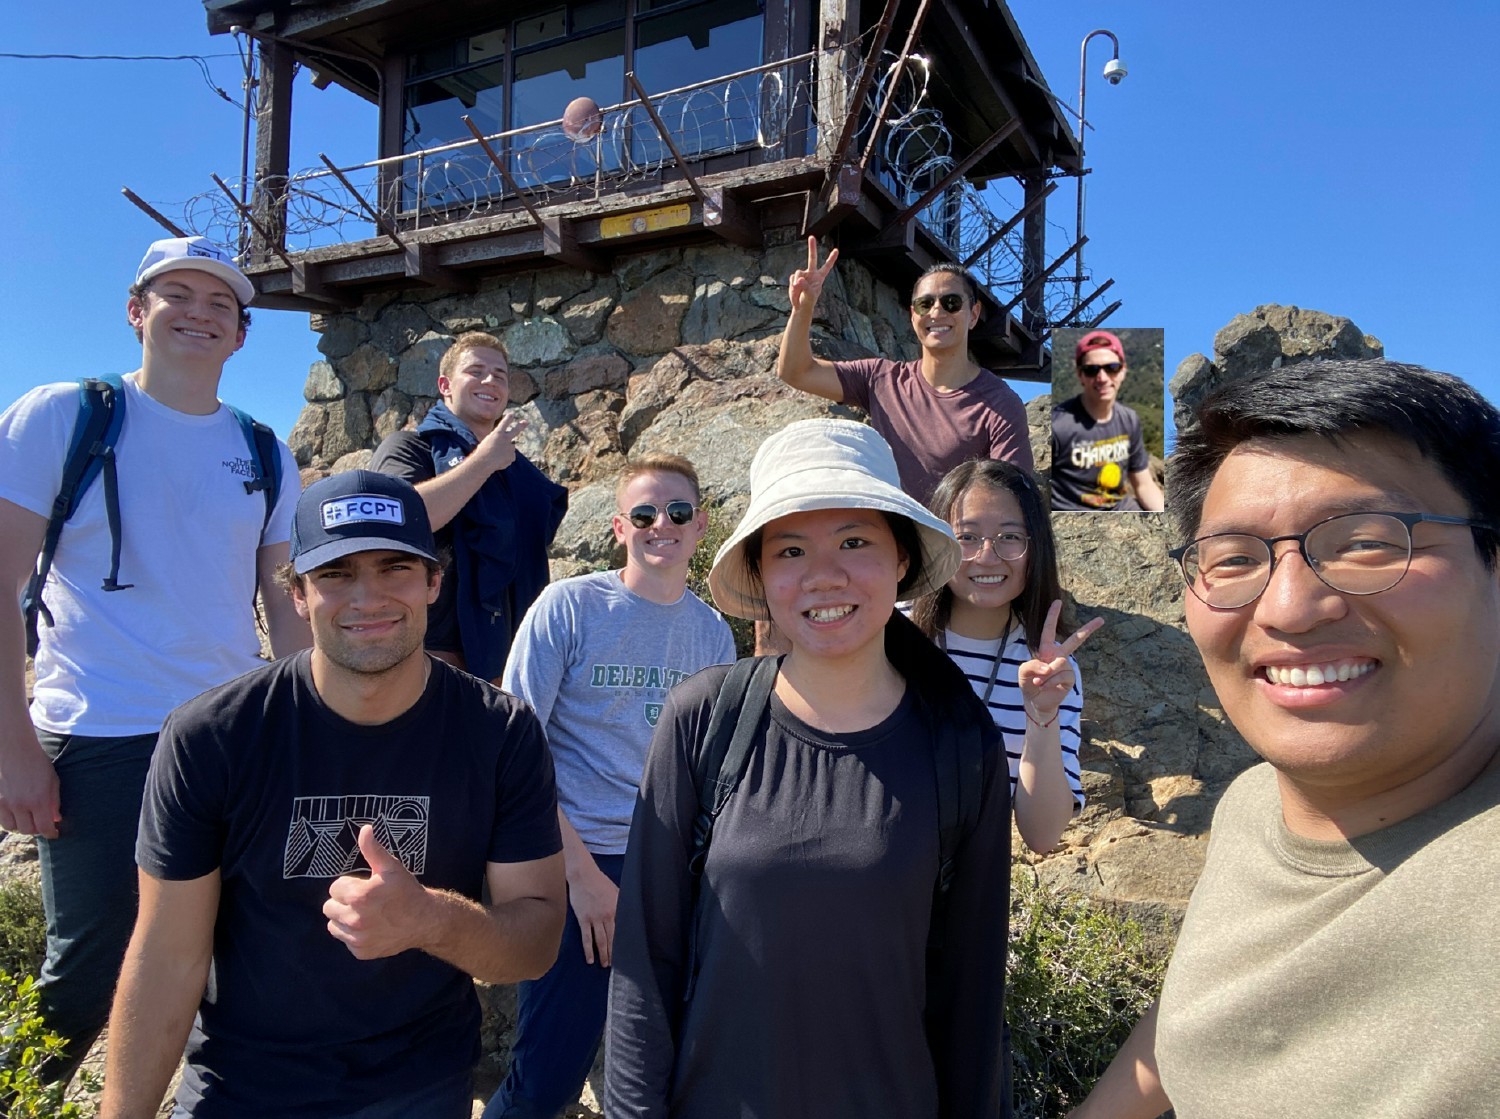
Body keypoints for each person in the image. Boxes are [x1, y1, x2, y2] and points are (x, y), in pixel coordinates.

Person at [1069, 359, 1500, 1119]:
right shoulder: (1250, 805)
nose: (1290, 608)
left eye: (1368, 542)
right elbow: (1203, 1007)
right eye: (1234, 558)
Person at [100, 470, 567, 1119]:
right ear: (295, 593)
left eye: (394, 567)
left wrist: (426, 919)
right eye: (336, 573)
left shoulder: (500, 733)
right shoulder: (212, 737)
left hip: (417, 1088)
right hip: (241, 1087)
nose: (368, 596)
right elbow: (166, 956)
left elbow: (536, 941)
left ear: (435, 581)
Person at [606, 419, 1013, 1119]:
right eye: (791, 549)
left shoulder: (960, 744)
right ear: (763, 575)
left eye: (855, 540)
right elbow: (644, 965)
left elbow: (972, 998)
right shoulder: (703, 721)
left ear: (902, 560)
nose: (824, 575)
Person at [0, 236, 308, 1081]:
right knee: (86, 975)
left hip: (232, 738)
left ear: (242, 335)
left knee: (236, 956)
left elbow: (284, 604)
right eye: (178, 295)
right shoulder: (64, 417)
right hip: (100, 734)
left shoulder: (262, 448)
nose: (200, 314)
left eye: (220, 305)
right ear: (137, 311)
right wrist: (13, 746)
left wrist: (313, 733)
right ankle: (21, 1096)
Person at [486, 453, 735, 1119]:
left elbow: (708, 768)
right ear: (620, 526)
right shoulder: (570, 606)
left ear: (701, 524)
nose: (663, 525)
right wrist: (583, 876)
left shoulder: (711, 633)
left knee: (663, 1071)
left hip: (664, 864)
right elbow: (514, 746)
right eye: (646, 513)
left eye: (678, 512)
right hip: (571, 854)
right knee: (548, 1074)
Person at [911, 460, 1103, 853]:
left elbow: (1042, 835)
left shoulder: (1050, 671)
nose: (987, 556)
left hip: (963, 891)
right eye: (966, 536)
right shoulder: (890, 633)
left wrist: (1042, 715)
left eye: (1010, 537)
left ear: (1036, 548)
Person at [370, 330, 567, 683]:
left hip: (507, 662)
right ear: (445, 385)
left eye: (500, 375)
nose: (490, 380)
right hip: (428, 658)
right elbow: (401, 522)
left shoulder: (518, 472)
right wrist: (483, 461)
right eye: (475, 371)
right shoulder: (408, 449)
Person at [775, 236, 1033, 505]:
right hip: (890, 540)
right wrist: (803, 309)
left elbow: (1011, 501)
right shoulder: (879, 379)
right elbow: (797, 372)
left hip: (955, 544)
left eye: (952, 303)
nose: (937, 311)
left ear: (974, 314)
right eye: (925, 304)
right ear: (913, 315)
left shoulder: (1001, 404)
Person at [1050, 330, 1164, 512]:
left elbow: (1143, 485)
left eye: (1111, 368)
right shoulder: (1058, 425)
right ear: (1080, 375)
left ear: (1123, 371)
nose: (1102, 378)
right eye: (1091, 370)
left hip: (1124, 511)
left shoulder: (1128, 419)